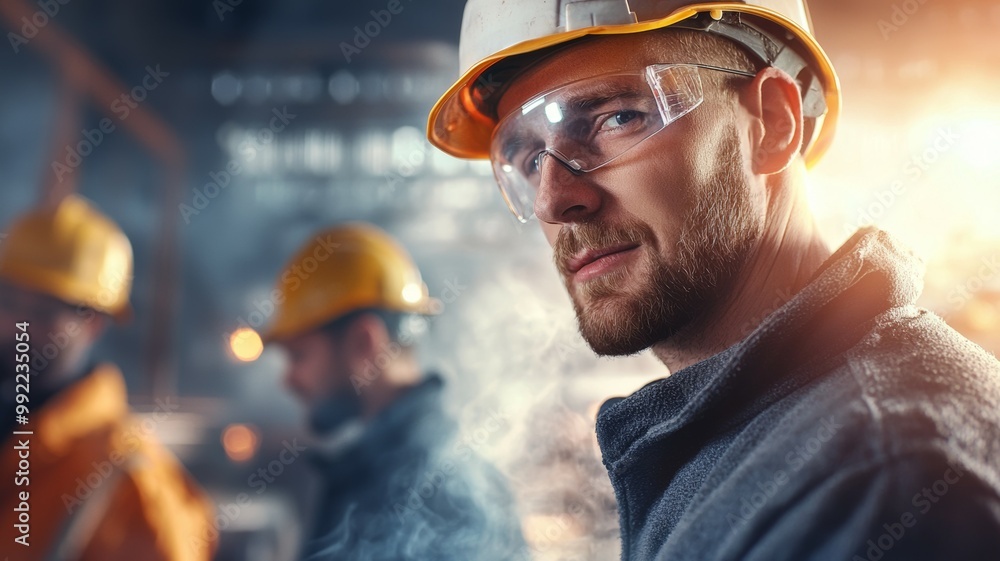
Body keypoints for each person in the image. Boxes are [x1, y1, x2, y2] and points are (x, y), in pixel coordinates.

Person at [424, 1, 1000, 559]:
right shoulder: (759, 442)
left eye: (617, 118)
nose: (554, 200)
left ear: (774, 123)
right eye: (528, 160)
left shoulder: (875, 482)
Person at [260, 222, 526, 560]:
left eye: (299, 356)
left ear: (363, 343)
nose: (288, 380)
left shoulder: (436, 491)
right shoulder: (386, 471)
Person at [0, 195, 215, 561]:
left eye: (41, 312)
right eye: (6, 301)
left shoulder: (129, 481)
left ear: (94, 322)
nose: (14, 327)